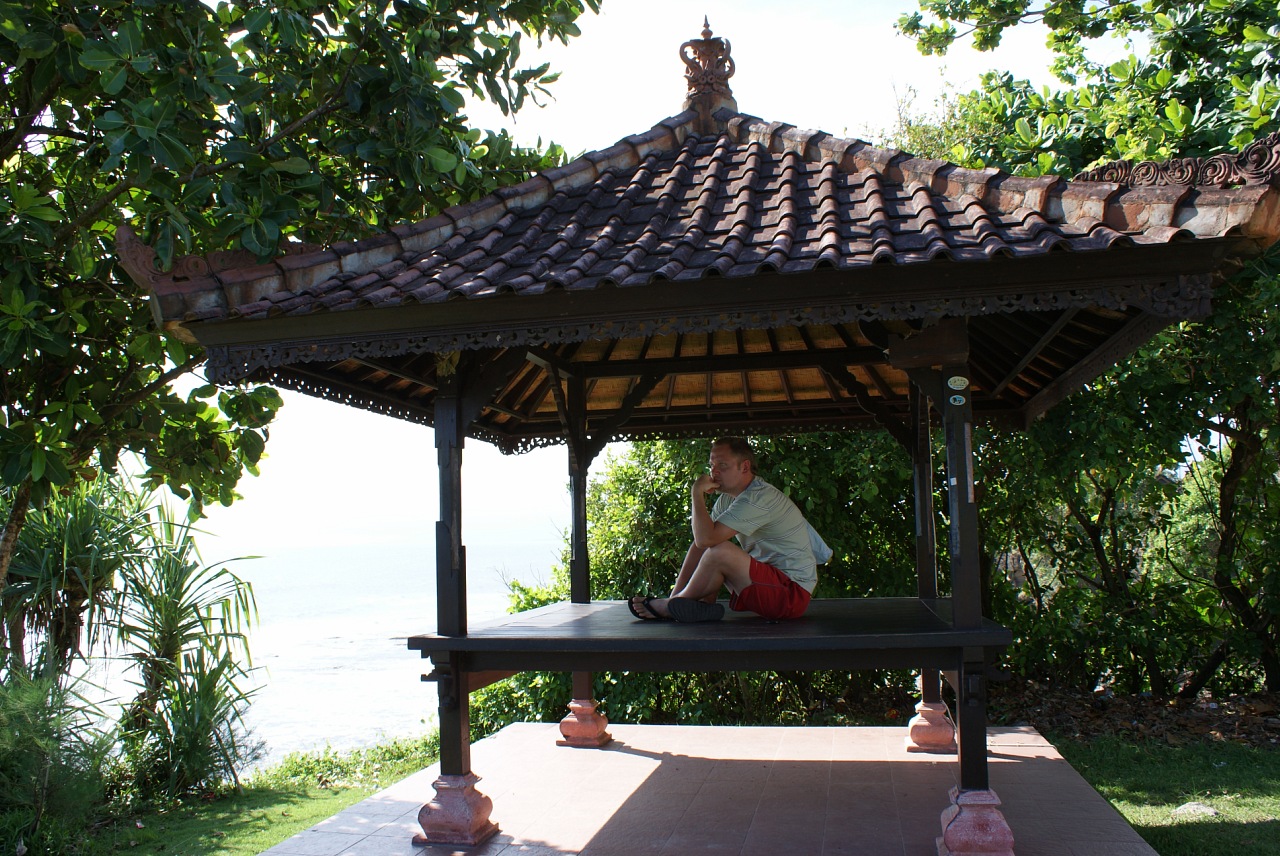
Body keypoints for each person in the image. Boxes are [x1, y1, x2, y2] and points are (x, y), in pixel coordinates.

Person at [629, 436, 826, 623]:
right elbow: (700, 544)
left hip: (790, 594)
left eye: (722, 465)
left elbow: (706, 540)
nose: (714, 472)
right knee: (711, 546)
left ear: (745, 467)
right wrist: (675, 596)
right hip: (767, 585)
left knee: (720, 550)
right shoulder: (728, 500)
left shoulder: (759, 497)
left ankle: (669, 606)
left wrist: (696, 493)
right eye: (712, 465)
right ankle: (700, 603)